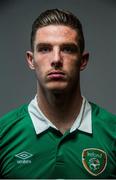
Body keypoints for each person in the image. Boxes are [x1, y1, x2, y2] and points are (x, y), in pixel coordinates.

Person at [0, 9, 116, 179]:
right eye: (45, 49)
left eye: (67, 49)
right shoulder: (3, 135)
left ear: (83, 60)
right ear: (31, 60)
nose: (56, 59)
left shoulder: (112, 132)